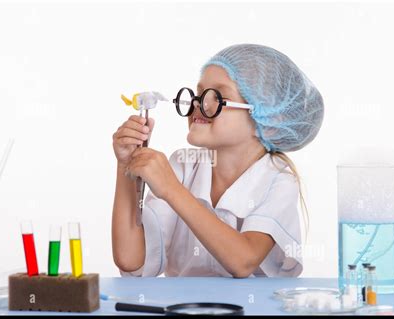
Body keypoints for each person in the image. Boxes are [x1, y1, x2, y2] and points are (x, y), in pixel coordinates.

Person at [112, 43, 324, 277]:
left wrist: (171, 189)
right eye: (199, 93)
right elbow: (130, 259)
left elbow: (243, 260)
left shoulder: (279, 180)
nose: (198, 103)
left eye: (218, 97)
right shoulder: (183, 165)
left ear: (269, 120)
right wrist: (126, 166)